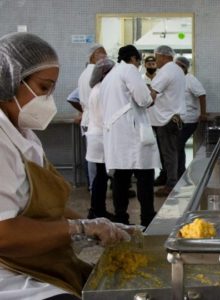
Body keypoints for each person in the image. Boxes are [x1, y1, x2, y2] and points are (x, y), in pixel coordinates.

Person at [0, 32, 133, 300]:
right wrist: (79, 228)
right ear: (9, 81)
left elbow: (48, 208)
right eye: (43, 88)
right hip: (10, 273)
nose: (48, 99)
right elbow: (3, 233)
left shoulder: (24, 134)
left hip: (37, 261)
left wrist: (95, 223)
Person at [100, 45, 160, 226]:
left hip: (116, 133)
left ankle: (121, 218)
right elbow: (143, 99)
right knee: (144, 174)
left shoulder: (110, 75)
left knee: (121, 177)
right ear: (134, 58)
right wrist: (153, 96)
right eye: (139, 61)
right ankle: (147, 217)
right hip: (132, 132)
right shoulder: (130, 70)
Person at [148, 45, 186, 197]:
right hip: (172, 116)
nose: (155, 60)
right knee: (169, 152)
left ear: (164, 56)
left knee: (168, 152)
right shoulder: (176, 69)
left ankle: (171, 184)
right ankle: (167, 178)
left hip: (167, 118)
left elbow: (153, 93)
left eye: (156, 57)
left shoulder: (167, 71)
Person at [85, 58, 115, 220]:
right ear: (105, 74)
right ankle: (97, 210)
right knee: (101, 177)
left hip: (98, 135)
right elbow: (106, 116)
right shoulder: (101, 90)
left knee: (101, 176)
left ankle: (97, 209)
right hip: (100, 137)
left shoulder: (98, 88)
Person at [78, 44, 107, 191]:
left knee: (92, 157)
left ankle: (93, 186)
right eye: (101, 54)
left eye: (105, 54)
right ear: (92, 57)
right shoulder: (93, 74)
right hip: (94, 120)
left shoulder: (84, 73)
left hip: (88, 118)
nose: (104, 58)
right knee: (94, 159)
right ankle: (94, 187)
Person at [175, 56, 207, 178]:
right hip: (179, 119)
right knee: (177, 145)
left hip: (189, 119)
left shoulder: (190, 80)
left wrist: (203, 113)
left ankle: (180, 174)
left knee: (178, 144)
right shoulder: (176, 80)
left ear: (185, 67)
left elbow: (202, 95)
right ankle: (178, 173)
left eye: (179, 66)